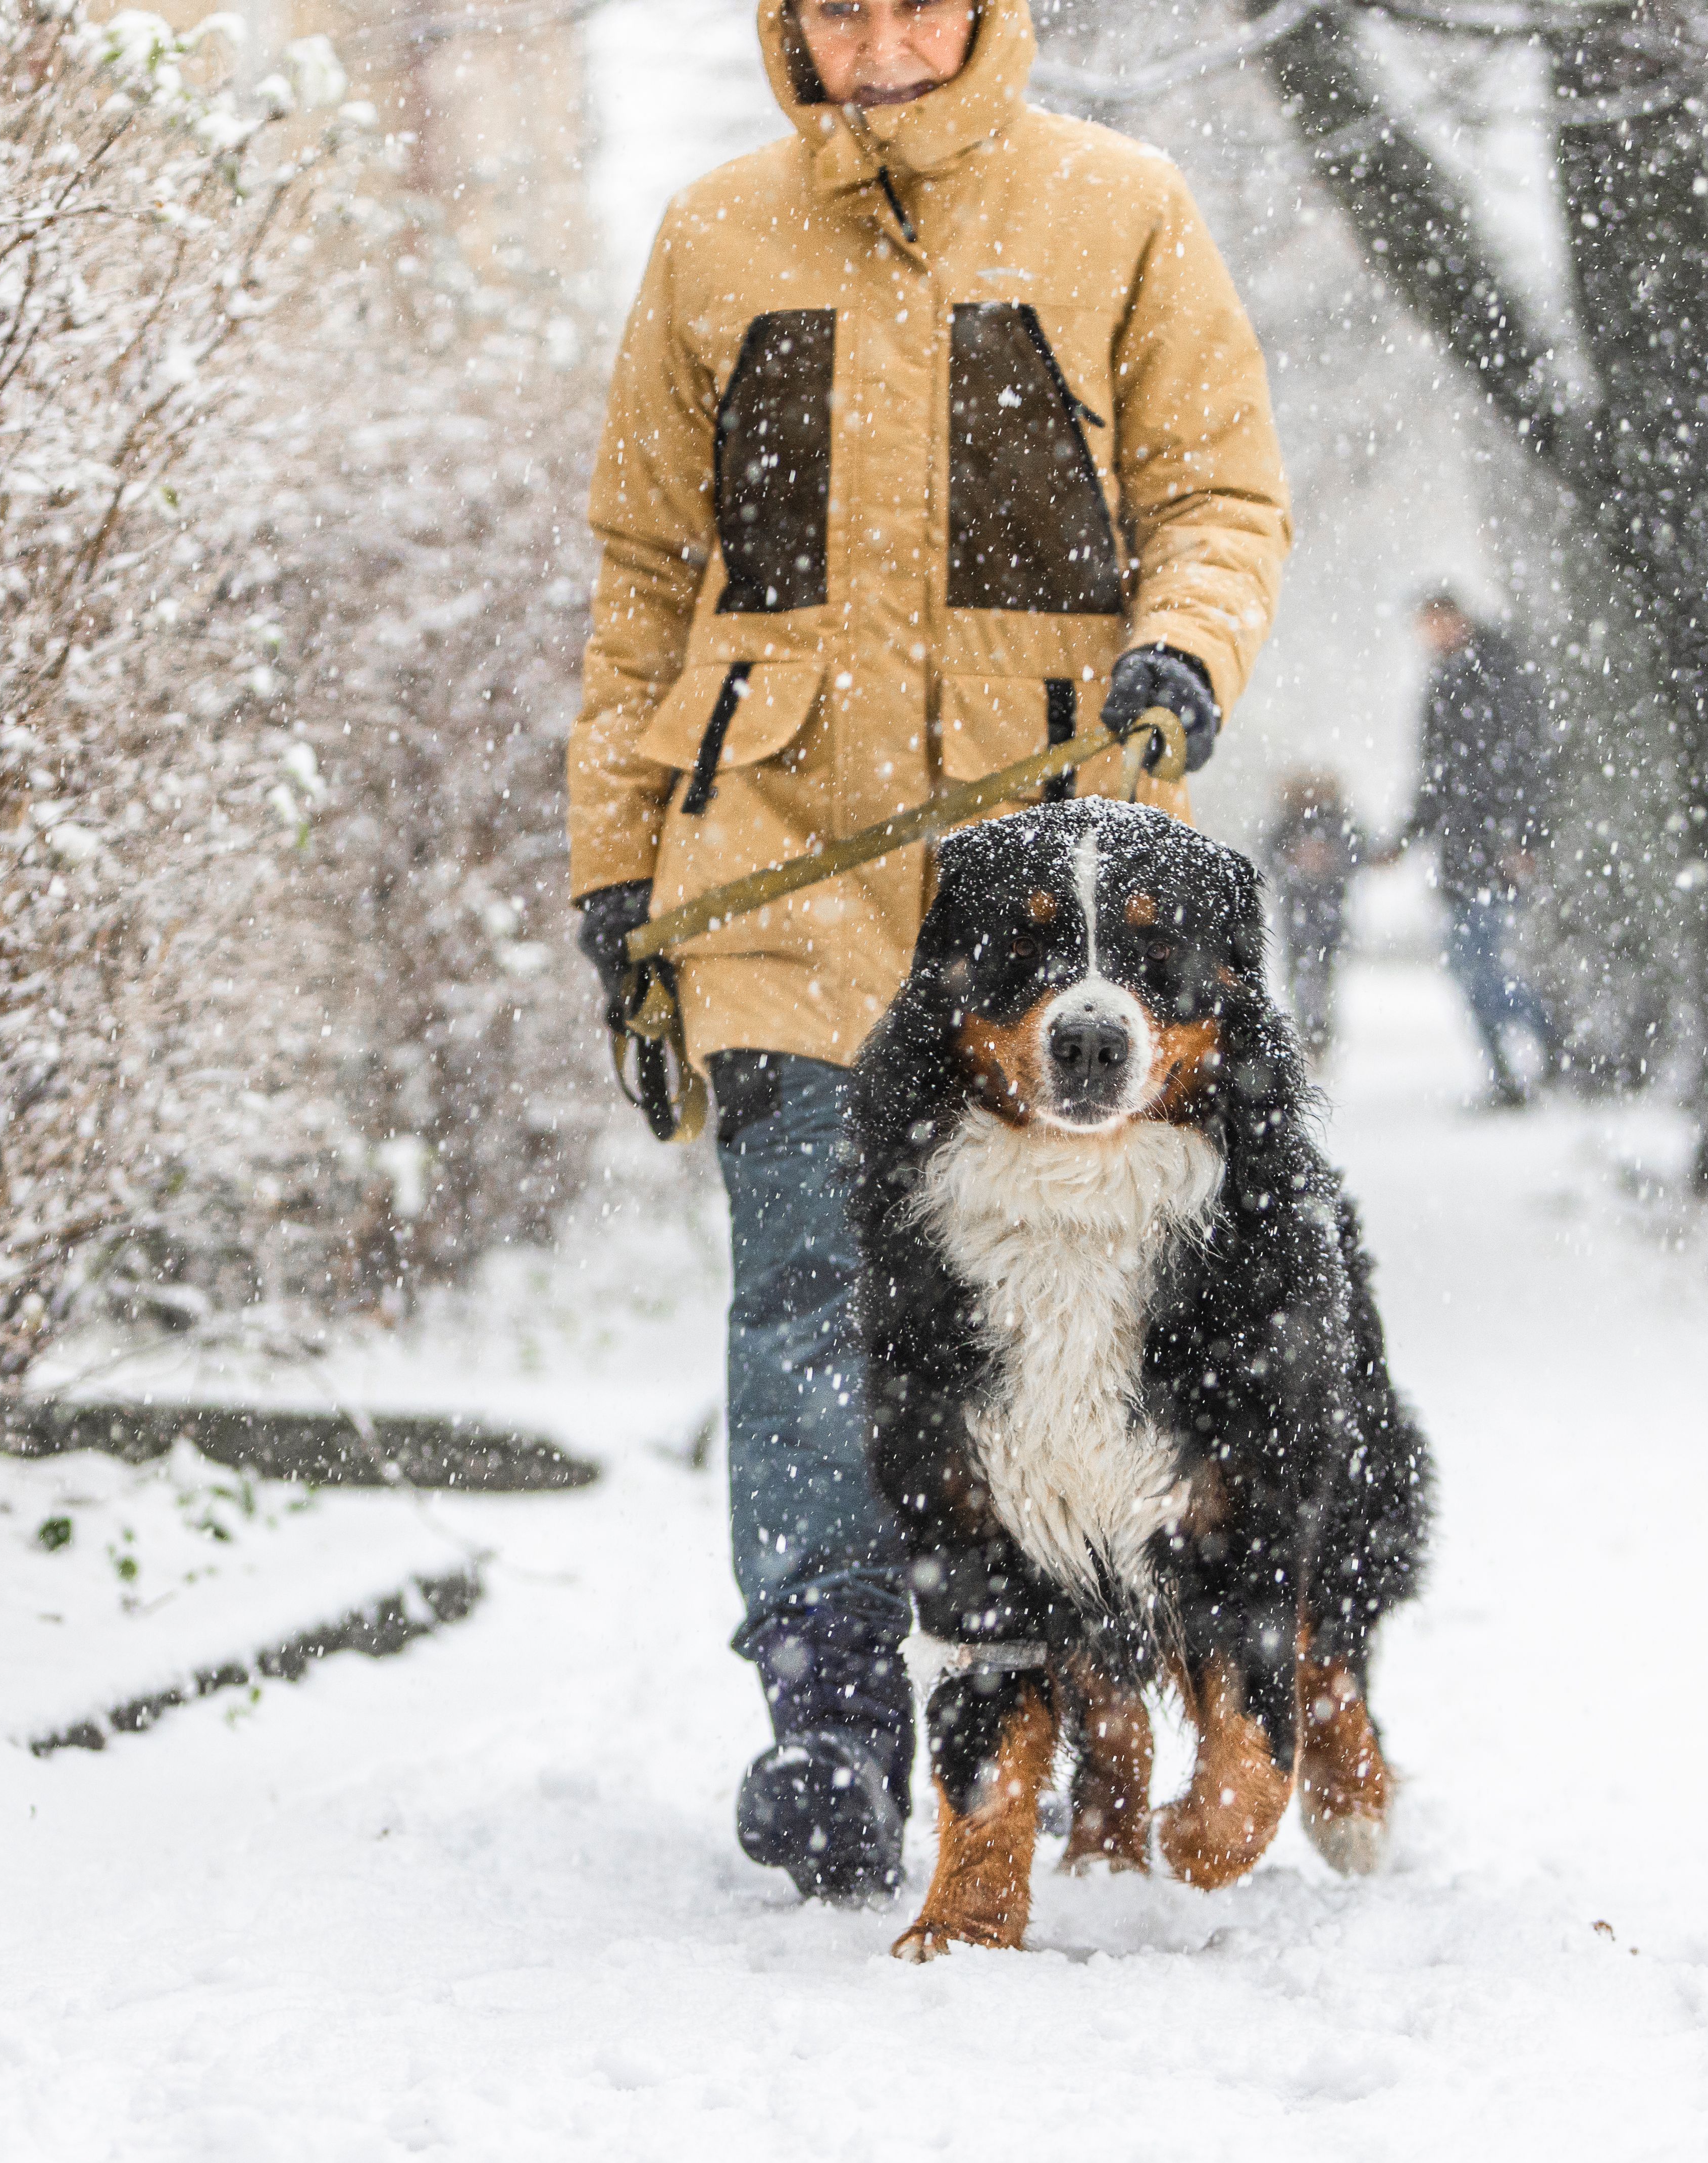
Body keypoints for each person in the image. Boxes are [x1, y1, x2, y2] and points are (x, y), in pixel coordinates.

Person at [563, 0, 1289, 1902]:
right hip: (779, 861)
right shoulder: (716, 233)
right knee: (809, 1289)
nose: (877, 37)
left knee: (1079, 1317)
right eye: (836, 3)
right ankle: (827, 1714)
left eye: (915, 0)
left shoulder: (1117, 208)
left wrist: (1180, 651)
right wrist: (617, 864)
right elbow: (645, 571)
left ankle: (1065, 1676)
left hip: (1040, 896)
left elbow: (1219, 491)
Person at [1394, 588, 1559, 1106]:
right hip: (1460, 852)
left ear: (1457, 620)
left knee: (1477, 965)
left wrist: (1525, 838)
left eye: (1437, 623)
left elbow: (1527, 760)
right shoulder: (1441, 685)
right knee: (1469, 968)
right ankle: (1508, 1074)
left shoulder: (1500, 674)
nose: (1432, 636)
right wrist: (1402, 840)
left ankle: (1552, 1040)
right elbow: (1434, 779)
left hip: (1496, 850)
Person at [1265, 770, 1361, 1065]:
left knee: (1324, 975)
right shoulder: (1288, 824)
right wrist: (1294, 859)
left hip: (1330, 914)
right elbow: (1270, 853)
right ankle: (1311, 1033)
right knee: (1302, 975)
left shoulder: (1339, 823)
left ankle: (1320, 1033)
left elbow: (1358, 853)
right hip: (1298, 913)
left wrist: (1330, 860)